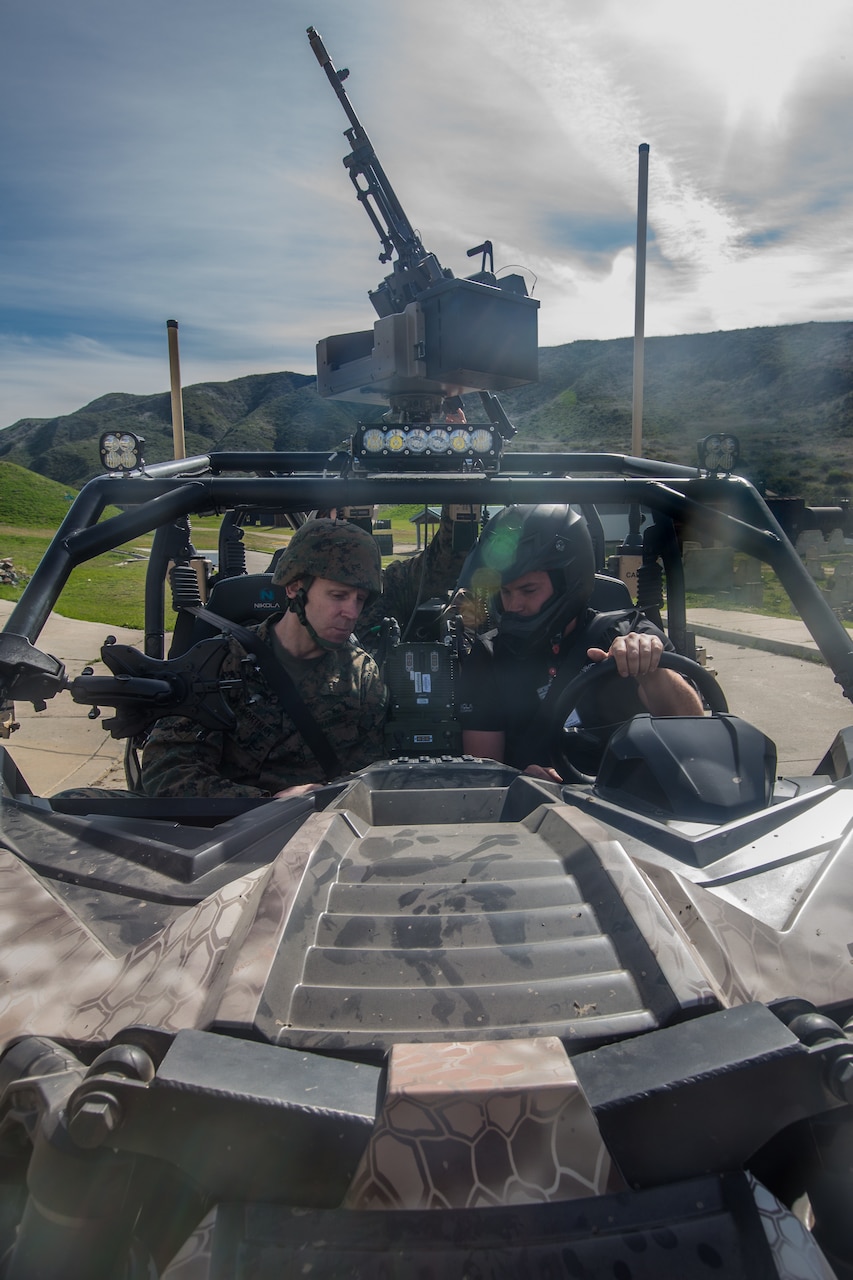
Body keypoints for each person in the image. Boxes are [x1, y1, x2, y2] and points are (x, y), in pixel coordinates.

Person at [141, 519, 388, 799]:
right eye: (338, 595)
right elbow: (167, 771)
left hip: (318, 829)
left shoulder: (362, 676)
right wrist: (264, 803)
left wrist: (322, 799)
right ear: (294, 588)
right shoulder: (217, 663)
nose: (351, 612)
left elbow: (369, 775)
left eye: (359, 599)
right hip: (220, 829)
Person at [455, 504, 704, 782]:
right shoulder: (489, 656)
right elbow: (482, 773)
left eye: (528, 590)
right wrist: (517, 781)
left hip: (639, 808)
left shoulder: (629, 633)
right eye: (505, 591)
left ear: (568, 580)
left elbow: (695, 736)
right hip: (538, 812)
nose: (513, 605)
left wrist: (653, 673)